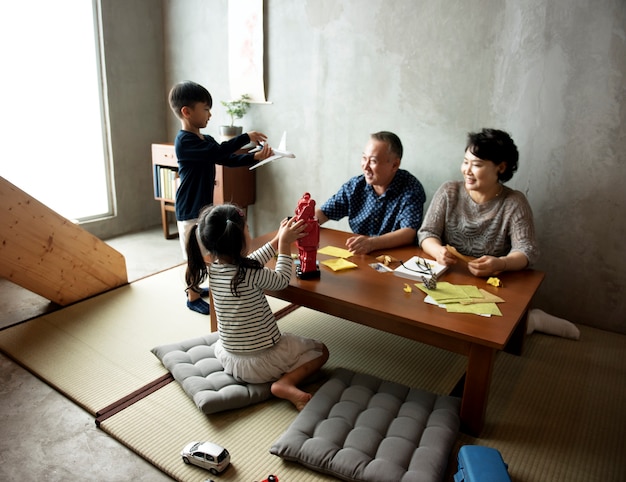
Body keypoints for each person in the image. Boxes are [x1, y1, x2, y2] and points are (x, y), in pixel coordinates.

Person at [418, 128, 579, 339]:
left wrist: (500, 263)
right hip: (450, 277)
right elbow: (427, 233)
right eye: (465, 162)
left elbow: (527, 251)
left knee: (491, 333)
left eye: (476, 165)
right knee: (428, 322)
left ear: (500, 168)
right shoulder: (449, 191)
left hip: (491, 286)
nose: (467, 170)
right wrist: (438, 251)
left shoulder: (514, 202)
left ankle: (532, 320)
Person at [185, 203, 330, 410]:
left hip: (230, 359)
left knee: (227, 342)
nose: (249, 231)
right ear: (240, 239)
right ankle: (285, 383)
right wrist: (285, 247)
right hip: (262, 363)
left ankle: (279, 378)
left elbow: (249, 262)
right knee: (321, 350)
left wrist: (276, 240)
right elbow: (280, 280)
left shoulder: (215, 269)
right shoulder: (250, 273)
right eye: (247, 228)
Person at [168, 80, 274, 315]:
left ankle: (196, 287)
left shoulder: (204, 139)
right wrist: (245, 137)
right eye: (205, 108)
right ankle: (192, 295)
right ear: (187, 111)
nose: (210, 114)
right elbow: (219, 152)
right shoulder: (184, 142)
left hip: (203, 206)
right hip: (189, 207)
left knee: (206, 252)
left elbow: (226, 159)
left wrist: (254, 158)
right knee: (193, 255)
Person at [315, 131, 426, 254]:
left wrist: (371, 243)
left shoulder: (411, 189)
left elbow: (409, 233)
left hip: (396, 257)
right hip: (361, 254)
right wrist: (302, 223)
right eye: (364, 158)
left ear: (395, 165)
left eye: (373, 161)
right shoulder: (355, 186)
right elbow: (324, 213)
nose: (365, 166)